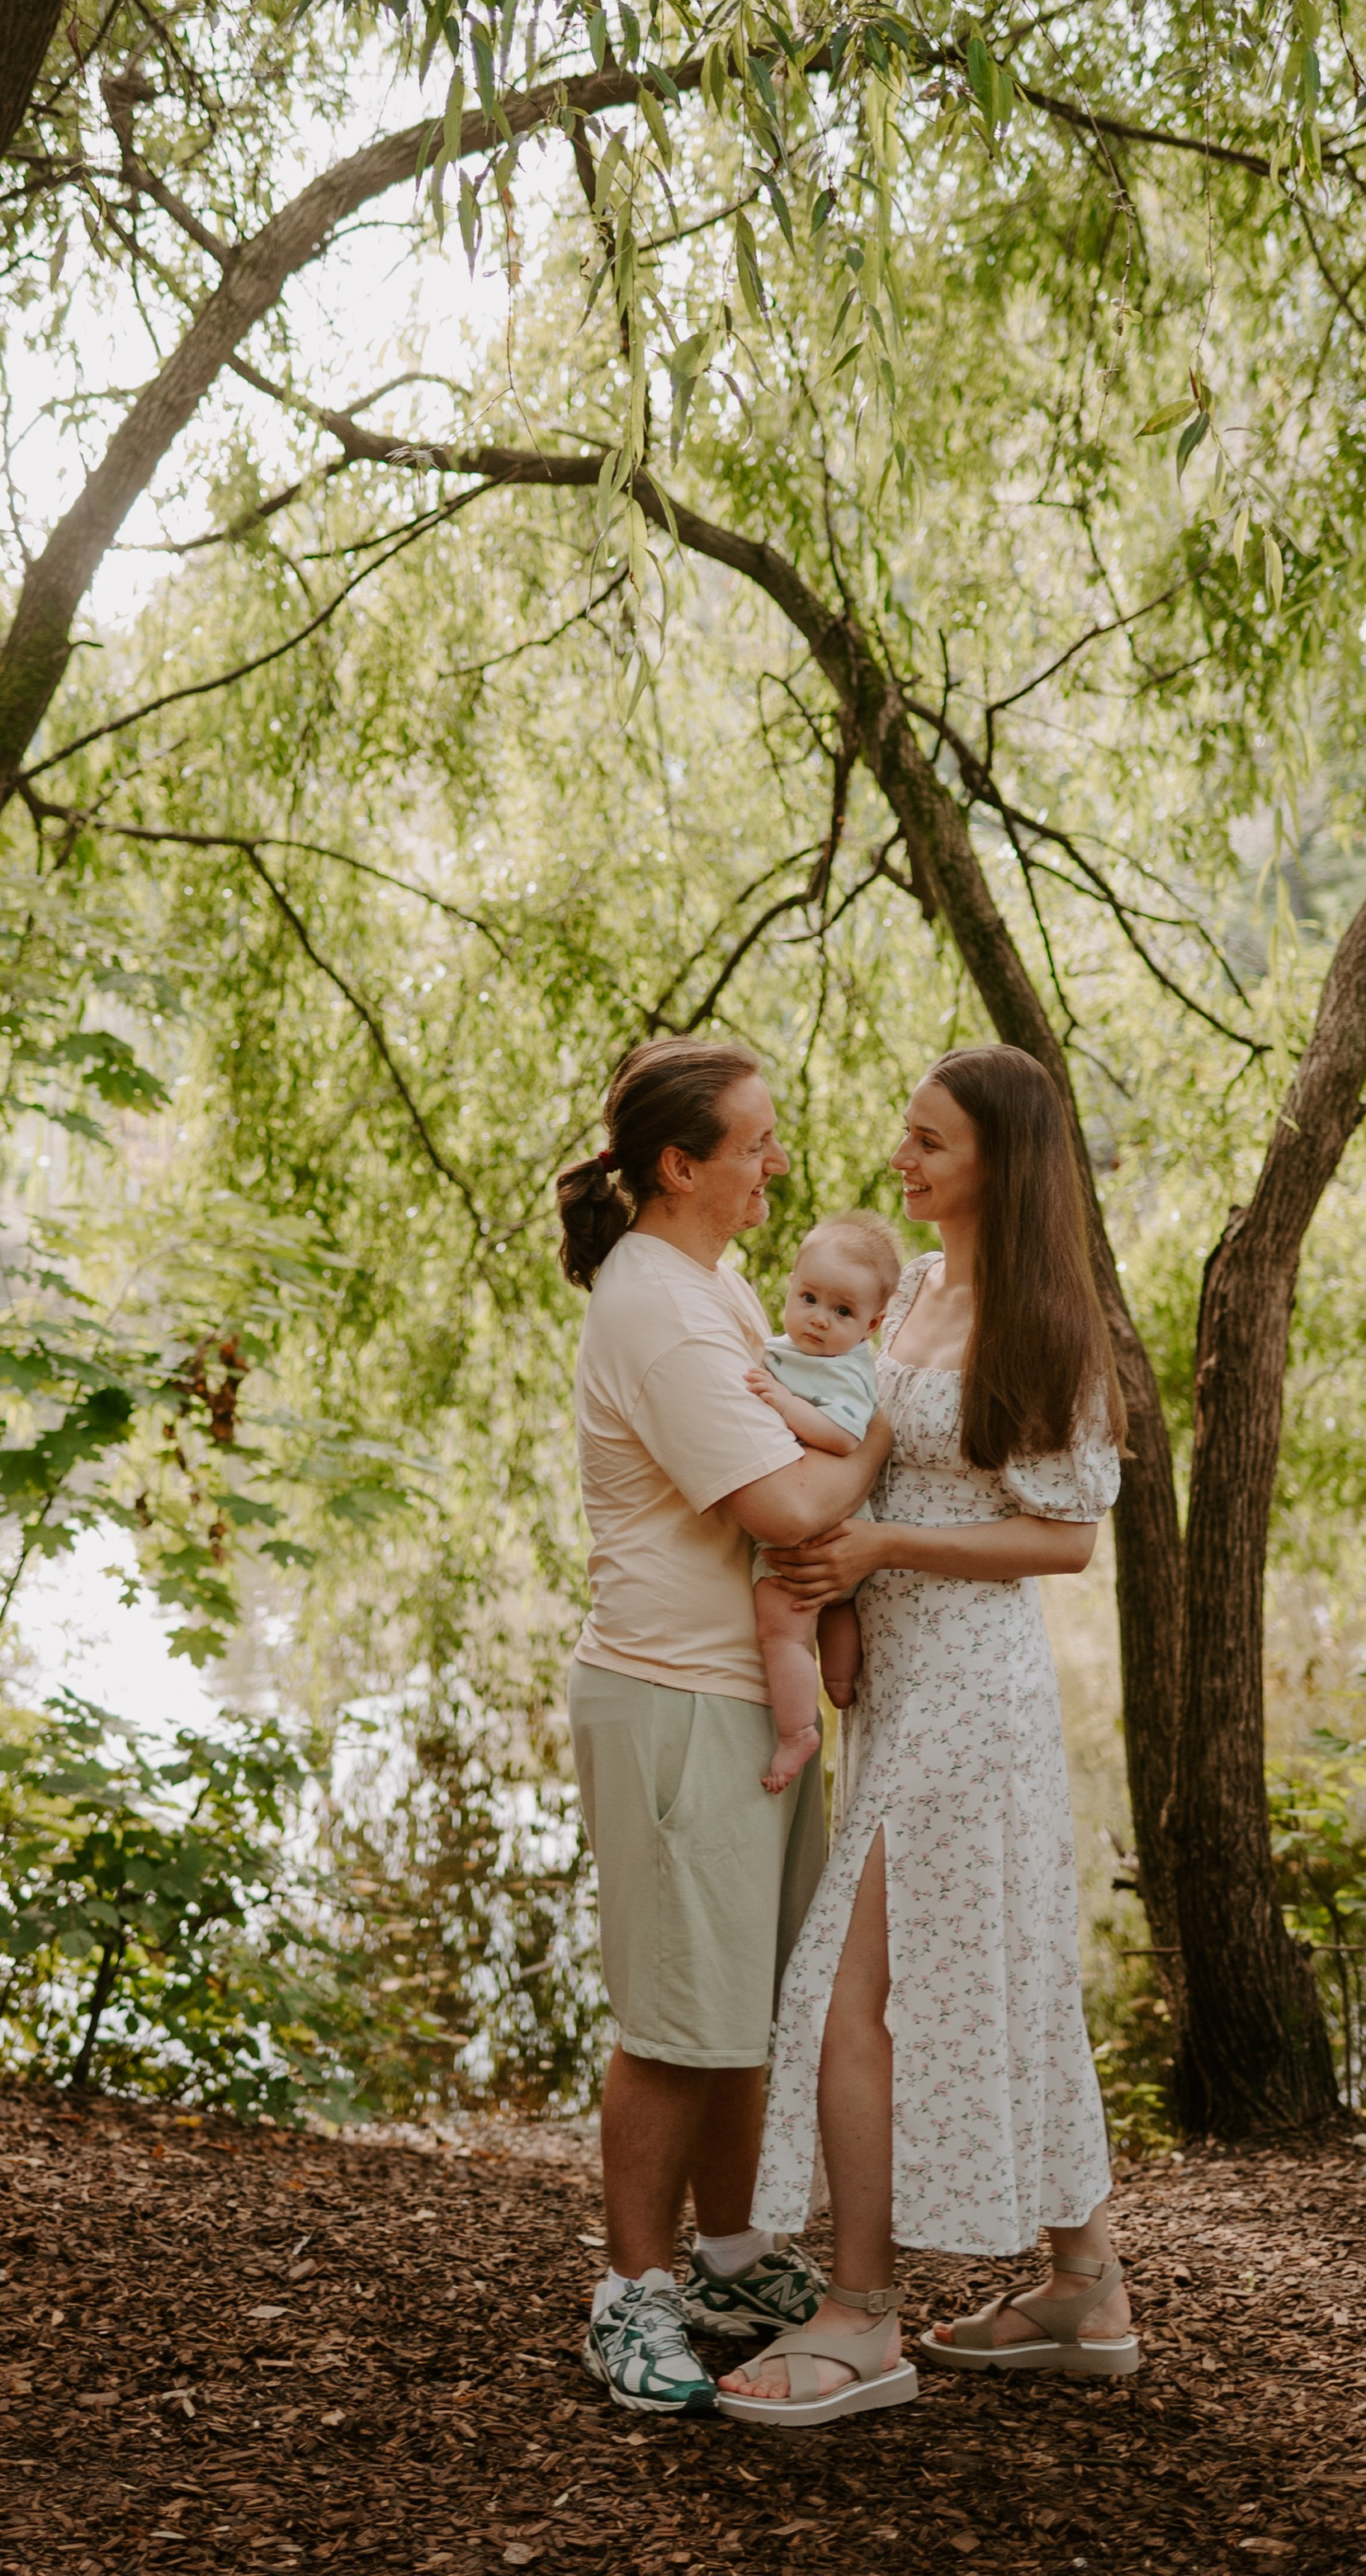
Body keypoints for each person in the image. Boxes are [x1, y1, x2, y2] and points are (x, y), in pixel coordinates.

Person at [714, 1044, 1139, 2430]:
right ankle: (1085, 2286)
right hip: (895, 1682)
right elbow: (849, 1431)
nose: (901, 1156)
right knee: (1008, 1969)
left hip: (973, 1692)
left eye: (931, 1142)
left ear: (1001, 1164)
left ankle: (859, 2316)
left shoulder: (1046, 1320)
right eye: (907, 1133)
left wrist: (887, 1538)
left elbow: (1067, 1535)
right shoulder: (906, 1287)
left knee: (851, 1985)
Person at [557, 1038, 895, 2416]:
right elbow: (790, 1510)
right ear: (681, 1164)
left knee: (745, 2008)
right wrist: (887, 1437)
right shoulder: (657, 1305)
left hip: (741, 1692)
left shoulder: (713, 1281)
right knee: (673, 2018)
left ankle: (730, 2255)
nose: (777, 1162)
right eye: (756, 1142)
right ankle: (628, 2297)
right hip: (675, 1694)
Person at [741, 1213, 905, 1793]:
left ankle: (796, 1733)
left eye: (842, 1312)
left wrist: (783, 1404)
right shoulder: (787, 1349)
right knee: (838, 1641)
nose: (818, 1319)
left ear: (872, 1324)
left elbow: (842, 1438)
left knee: (782, 1636)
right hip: (844, 1545)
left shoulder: (845, 1371)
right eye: (808, 1297)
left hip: (815, 1545)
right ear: (789, 1286)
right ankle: (837, 1688)